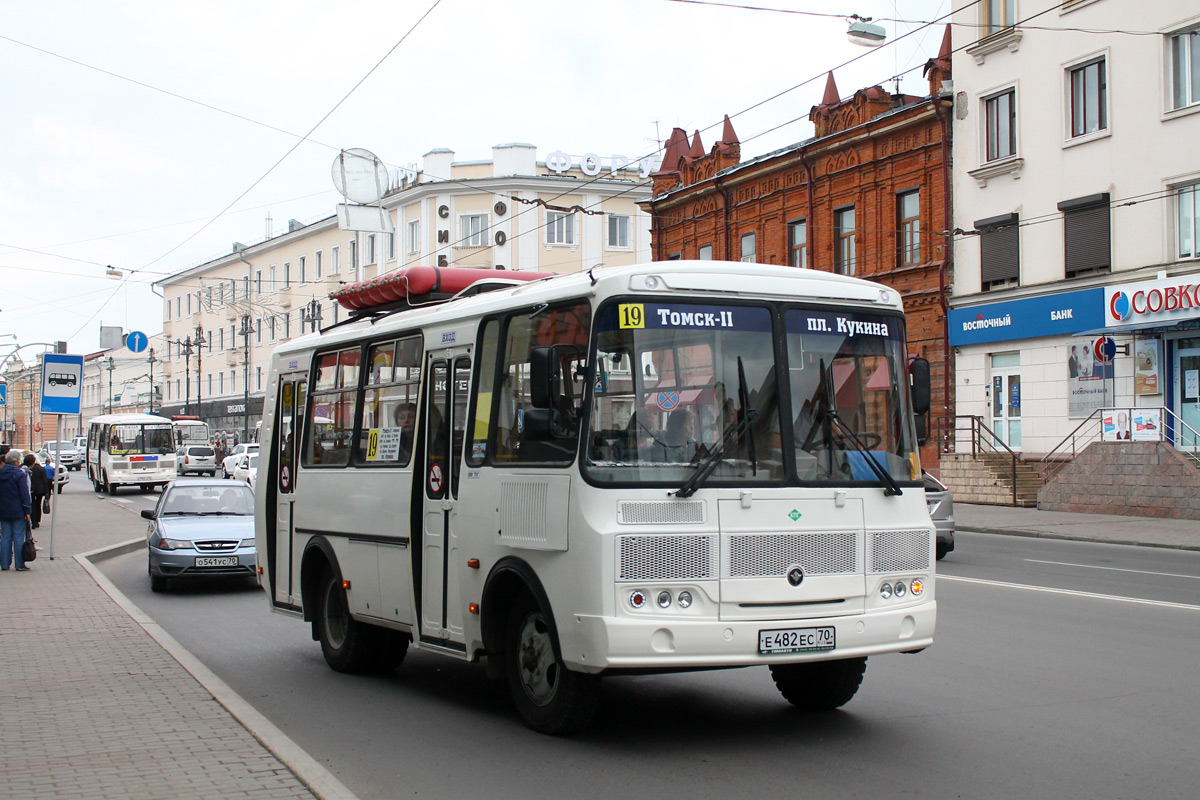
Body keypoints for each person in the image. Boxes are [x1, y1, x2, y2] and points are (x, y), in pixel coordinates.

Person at [0, 449, 33, 571]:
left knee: (5, 537)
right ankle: (19, 564)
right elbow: (24, 494)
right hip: (18, 510)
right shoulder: (19, 474)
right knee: (19, 537)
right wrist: (27, 511)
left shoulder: (1, 473)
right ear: (15, 461)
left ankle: (4, 564)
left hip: (3, 510)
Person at [24, 453, 50, 530]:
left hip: (32, 489)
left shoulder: (29, 469)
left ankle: (33, 520)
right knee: (38, 504)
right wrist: (46, 492)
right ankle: (37, 521)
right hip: (40, 490)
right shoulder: (41, 469)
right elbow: (45, 481)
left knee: (32, 504)